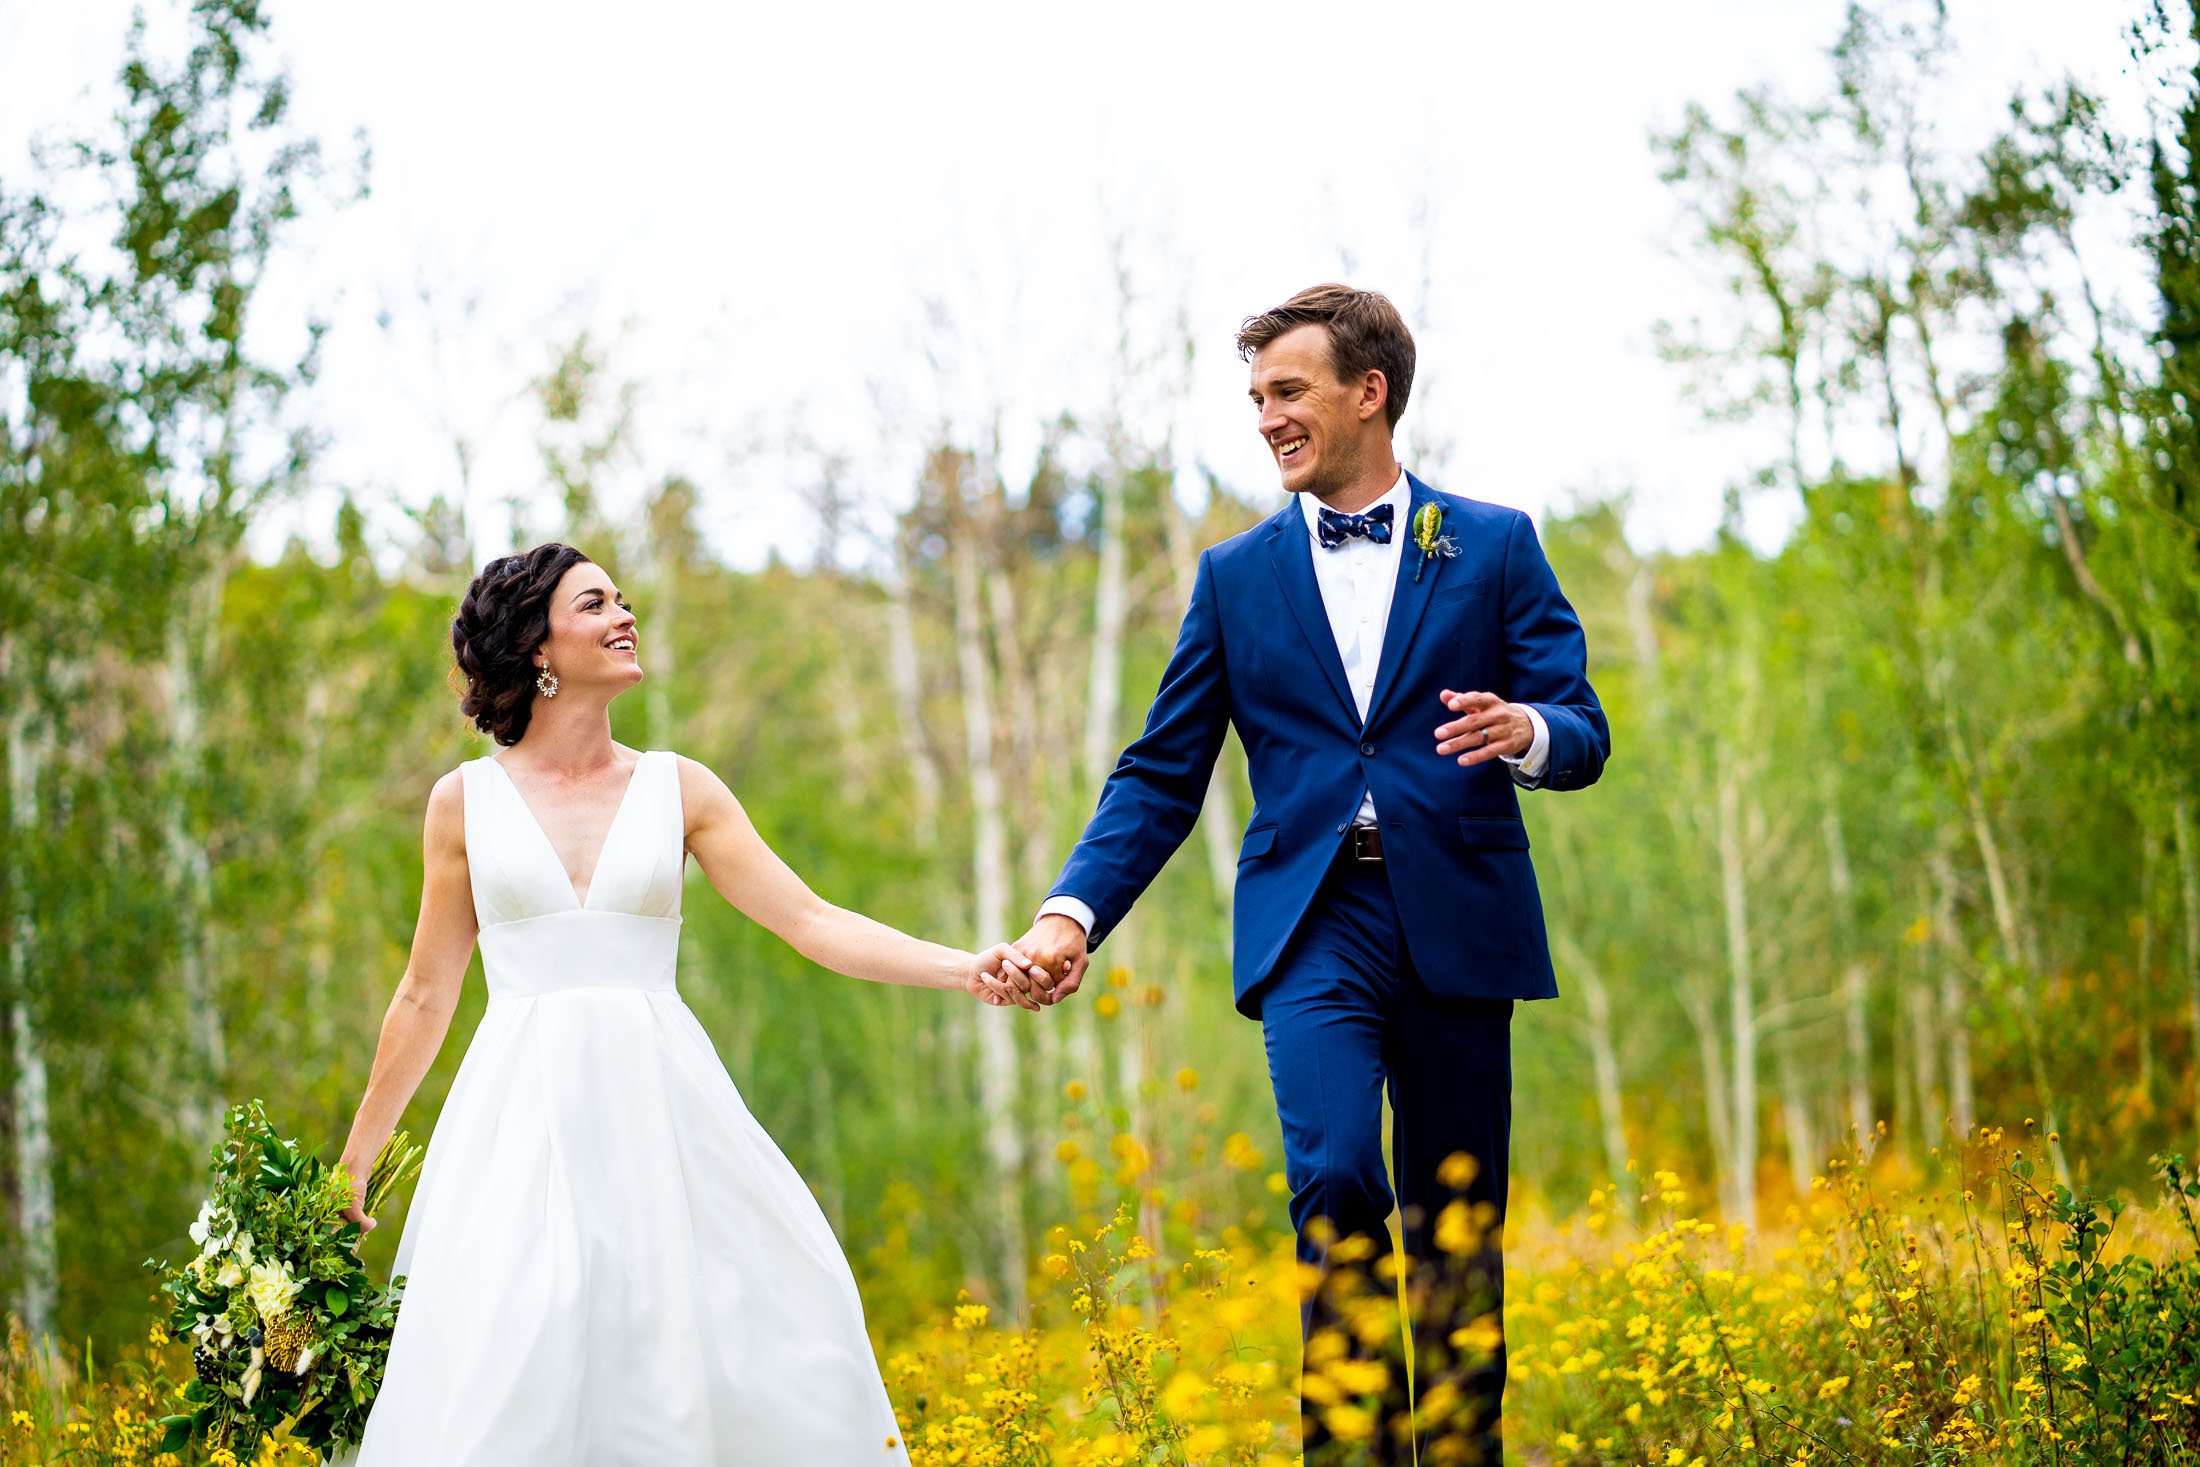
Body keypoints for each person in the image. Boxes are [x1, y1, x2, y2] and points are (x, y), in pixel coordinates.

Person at [1013, 284, 1609, 1464]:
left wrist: (1528, 733)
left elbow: (1582, 726)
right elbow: (1159, 773)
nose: (1266, 419)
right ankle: (1348, 1452)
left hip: (1458, 915)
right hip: (1311, 923)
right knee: (1333, 1174)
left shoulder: (1490, 545)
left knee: (1455, 1222)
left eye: (1287, 392)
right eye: (1255, 400)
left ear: (1367, 393)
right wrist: (1071, 912)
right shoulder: (1234, 578)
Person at [332, 543, 1042, 1466]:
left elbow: (813, 920)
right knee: (507, 1367)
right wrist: (356, 1158)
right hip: (516, 1124)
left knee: (748, 1333)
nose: (625, 615)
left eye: (624, 599)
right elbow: (426, 993)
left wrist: (967, 968)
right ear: (535, 644)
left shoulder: (681, 788)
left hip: (662, 1112)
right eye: (595, 604)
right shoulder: (460, 804)